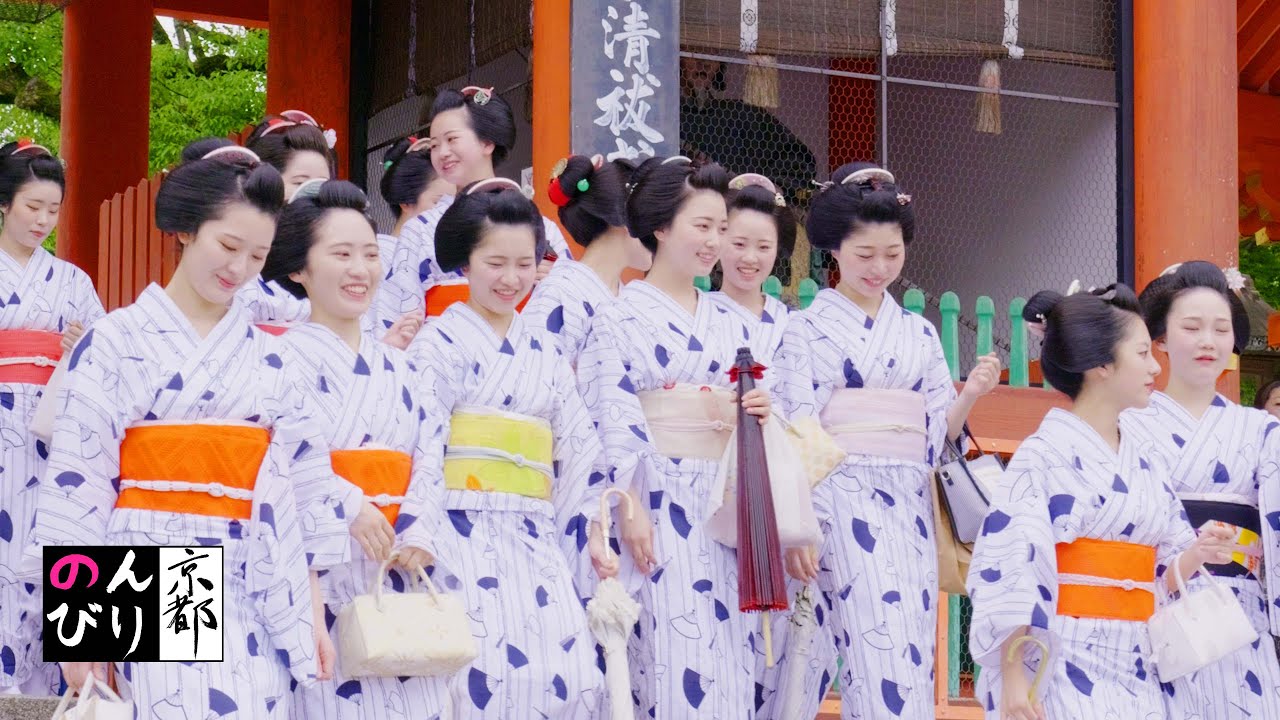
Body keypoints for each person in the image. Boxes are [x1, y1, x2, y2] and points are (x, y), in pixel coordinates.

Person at [30, 143, 333, 715]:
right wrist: (78, 628)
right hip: (145, 557)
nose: (238, 268)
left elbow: (307, 483)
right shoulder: (118, 339)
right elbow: (79, 483)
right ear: (187, 230)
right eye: (228, 245)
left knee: (255, 704)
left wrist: (312, 611)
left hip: (256, 565)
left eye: (257, 255)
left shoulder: (273, 356)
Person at [771, 162, 1000, 719]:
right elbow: (798, 423)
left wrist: (967, 395)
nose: (879, 268)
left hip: (908, 503)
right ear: (834, 251)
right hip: (836, 497)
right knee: (834, 644)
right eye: (864, 254)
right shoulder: (804, 328)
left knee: (905, 642)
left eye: (891, 254)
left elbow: (935, 437)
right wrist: (809, 519)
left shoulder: (918, 332)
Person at [967, 284, 1236, 719]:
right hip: (1064, 654)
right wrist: (1014, 675)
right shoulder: (1043, 454)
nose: (1155, 367)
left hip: (1142, 655)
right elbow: (1011, 564)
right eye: (1143, 353)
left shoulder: (1144, 456)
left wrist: (1196, 553)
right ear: (1102, 365)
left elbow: (1163, 569)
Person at [406, 178, 615, 718]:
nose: (511, 278)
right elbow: (423, 446)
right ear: (465, 261)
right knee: (475, 675)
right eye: (495, 262)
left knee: (564, 675)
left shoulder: (543, 352)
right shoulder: (436, 344)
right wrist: (420, 530)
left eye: (525, 264)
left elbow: (580, 456)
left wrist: (591, 529)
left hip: (535, 533)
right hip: (458, 533)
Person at [577, 156, 773, 718]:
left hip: (725, 499)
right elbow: (610, 414)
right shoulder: (618, 316)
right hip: (656, 498)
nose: (715, 242)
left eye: (721, 228)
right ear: (660, 226)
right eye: (701, 226)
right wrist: (630, 502)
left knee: (730, 657)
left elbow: (765, 409)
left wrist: (760, 410)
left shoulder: (734, 322)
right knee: (667, 648)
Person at [261, 180, 451, 719]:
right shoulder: (279, 360)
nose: (360, 269)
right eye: (340, 254)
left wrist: (418, 526)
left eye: (370, 254)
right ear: (299, 269)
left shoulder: (404, 366)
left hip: (396, 561)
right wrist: (349, 505)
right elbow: (279, 459)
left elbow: (431, 453)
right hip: (321, 565)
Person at [1123, 261, 1280, 719]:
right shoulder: (1129, 423)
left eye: (1220, 328)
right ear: (1162, 338)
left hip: (1240, 612)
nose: (1207, 340)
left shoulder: (1261, 430)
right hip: (1152, 605)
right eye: (1191, 327)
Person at [0, 138, 104, 696]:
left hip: (52, 432)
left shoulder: (73, 281)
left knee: (55, 550)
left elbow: (105, 355)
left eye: (52, 209)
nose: (43, 220)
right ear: (4, 202)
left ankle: (53, 694)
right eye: (31, 206)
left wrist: (83, 343)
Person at [386, 87, 573, 323]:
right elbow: (397, 312)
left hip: (524, 352)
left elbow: (569, 307)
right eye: (434, 145)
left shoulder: (542, 228)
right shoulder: (419, 229)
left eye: (451, 139)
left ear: (487, 142)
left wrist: (553, 282)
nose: (442, 152)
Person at [522, 153, 651, 367]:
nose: (658, 231)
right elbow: (534, 377)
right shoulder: (559, 293)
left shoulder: (625, 295)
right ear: (627, 218)